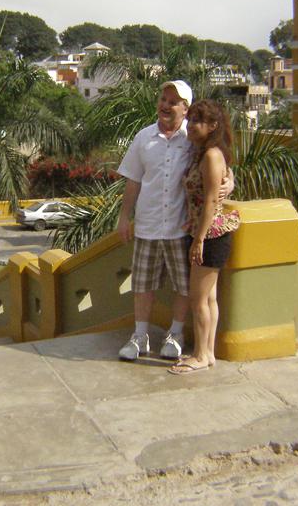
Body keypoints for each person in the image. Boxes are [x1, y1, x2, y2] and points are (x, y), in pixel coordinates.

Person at [116, 80, 233, 361]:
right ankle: (140, 336)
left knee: (183, 287)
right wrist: (123, 216)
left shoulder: (193, 139)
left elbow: (219, 168)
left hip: (181, 229)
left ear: (185, 108)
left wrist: (230, 184)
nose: (165, 106)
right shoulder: (143, 138)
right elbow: (133, 181)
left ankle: (176, 334)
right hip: (148, 224)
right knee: (143, 284)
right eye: (163, 99)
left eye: (173, 102)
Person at [169, 99, 240, 375]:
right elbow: (222, 181)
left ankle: (199, 355)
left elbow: (211, 201)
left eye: (198, 120)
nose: (191, 125)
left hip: (209, 234)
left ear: (213, 126)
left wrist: (198, 239)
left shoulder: (211, 155)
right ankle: (207, 353)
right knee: (209, 298)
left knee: (198, 299)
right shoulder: (205, 152)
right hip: (205, 231)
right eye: (191, 119)